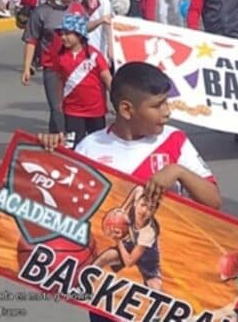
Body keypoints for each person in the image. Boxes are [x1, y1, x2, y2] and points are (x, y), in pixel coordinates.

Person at [38, 61, 222, 322]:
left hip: (165, 283)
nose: (167, 112)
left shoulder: (175, 141)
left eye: (166, 102)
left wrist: (179, 172)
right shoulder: (90, 147)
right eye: (158, 105)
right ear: (126, 109)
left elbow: (214, 201)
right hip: (108, 295)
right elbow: (64, 212)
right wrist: (49, 155)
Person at [22, 0, 85, 133]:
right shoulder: (41, 13)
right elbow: (31, 40)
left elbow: (85, 34)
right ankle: (60, 140)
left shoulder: (77, 8)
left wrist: (100, 21)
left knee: (73, 106)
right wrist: (27, 67)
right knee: (57, 107)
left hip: (76, 66)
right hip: (53, 68)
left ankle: (64, 139)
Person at [53, 13, 112, 144]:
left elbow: (107, 79)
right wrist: (58, 101)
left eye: (68, 34)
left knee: (97, 145)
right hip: (72, 111)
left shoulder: (94, 55)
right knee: (72, 145)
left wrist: (116, 100)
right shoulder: (60, 57)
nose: (63, 37)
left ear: (79, 35)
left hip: (96, 111)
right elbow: (59, 80)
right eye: (61, 33)